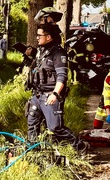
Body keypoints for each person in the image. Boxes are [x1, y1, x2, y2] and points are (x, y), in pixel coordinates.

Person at [26, 25, 89, 153]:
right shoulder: (40, 51)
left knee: (55, 127)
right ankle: (33, 153)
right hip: (37, 96)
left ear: (48, 37)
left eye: (39, 35)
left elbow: (62, 76)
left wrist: (55, 94)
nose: (37, 38)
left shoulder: (58, 53)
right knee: (32, 124)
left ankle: (80, 146)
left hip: (50, 96)